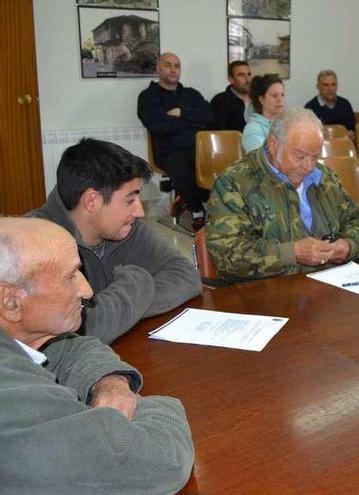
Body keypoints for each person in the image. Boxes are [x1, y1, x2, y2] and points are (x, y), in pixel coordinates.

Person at [0, 217, 194, 493]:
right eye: (70, 276)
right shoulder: (11, 397)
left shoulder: (23, 335)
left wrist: (112, 384)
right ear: (11, 303)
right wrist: (157, 406)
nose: (87, 291)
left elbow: (69, 347)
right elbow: (162, 463)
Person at [28, 138, 201, 344]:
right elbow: (81, 329)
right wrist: (138, 280)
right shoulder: (33, 248)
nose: (140, 212)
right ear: (92, 201)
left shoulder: (126, 228)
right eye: (130, 200)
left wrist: (118, 314)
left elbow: (187, 277)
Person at [206, 108, 359, 282]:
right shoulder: (235, 183)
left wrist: (348, 246)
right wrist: (292, 253)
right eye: (300, 156)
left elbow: (357, 222)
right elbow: (227, 255)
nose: (308, 166)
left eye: (315, 157)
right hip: (269, 293)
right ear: (273, 144)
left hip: (331, 286)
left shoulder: (325, 177)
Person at [137, 52, 214, 228]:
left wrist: (182, 114)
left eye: (177, 66)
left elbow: (210, 115)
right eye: (168, 65)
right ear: (158, 68)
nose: (173, 70)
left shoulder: (191, 94)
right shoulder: (148, 97)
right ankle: (197, 209)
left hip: (200, 149)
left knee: (222, 165)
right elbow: (160, 127)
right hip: (169, 151)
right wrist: (194, 123)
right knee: (182, 165)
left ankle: (188, 198)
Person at [304, 69, 356, 139]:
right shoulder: (310, 108)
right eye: (325, 85)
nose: (330, 88)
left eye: (333, 84)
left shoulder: (345, 104)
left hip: (344, 147)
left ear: (337, 86)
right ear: (318, 87)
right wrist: (339, 136)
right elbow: (310, 137)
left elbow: (352, 131)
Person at [241, 74, 286, 153]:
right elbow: (261, 160)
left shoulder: (287, 124)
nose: (280, 99)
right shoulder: (253, 129)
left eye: (282, 95)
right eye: (274, 96)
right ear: (262, 99)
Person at [211, 60, 252, 132]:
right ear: (231, 79)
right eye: (241, 75)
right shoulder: (221, 101)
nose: (248, 79)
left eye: (249, 74)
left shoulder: (260, 99)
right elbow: (220, 132)